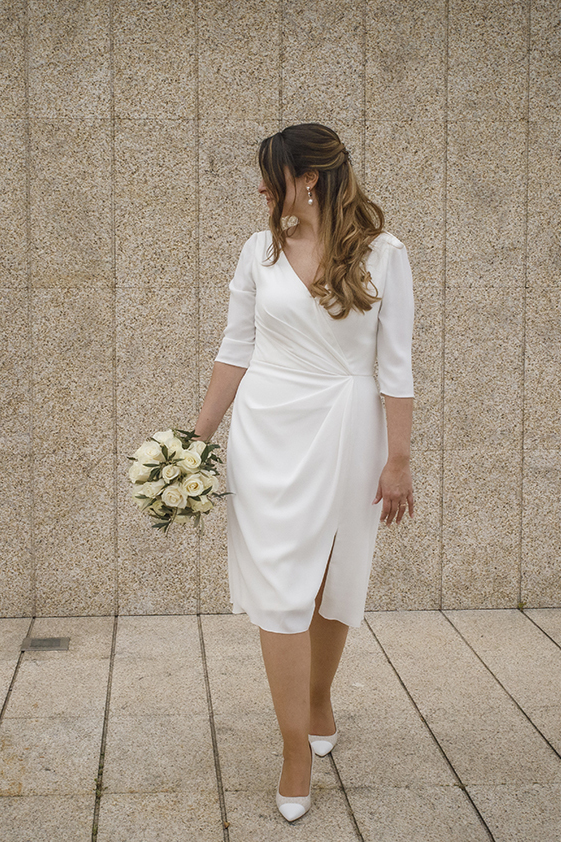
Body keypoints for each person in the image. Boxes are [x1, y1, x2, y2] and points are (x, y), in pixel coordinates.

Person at [191, 123, 414, 822]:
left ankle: (319, 698)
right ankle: (294, 747)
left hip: (349, 429)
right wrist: (193, 441)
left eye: (271, 173)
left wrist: (399, 458)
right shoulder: (258, 251)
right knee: (281, 586)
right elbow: (236, 347)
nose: (260, 187)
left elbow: (395, 362)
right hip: (268, 430)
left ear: (308, 177)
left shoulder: (385, 253)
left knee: (330, 580)